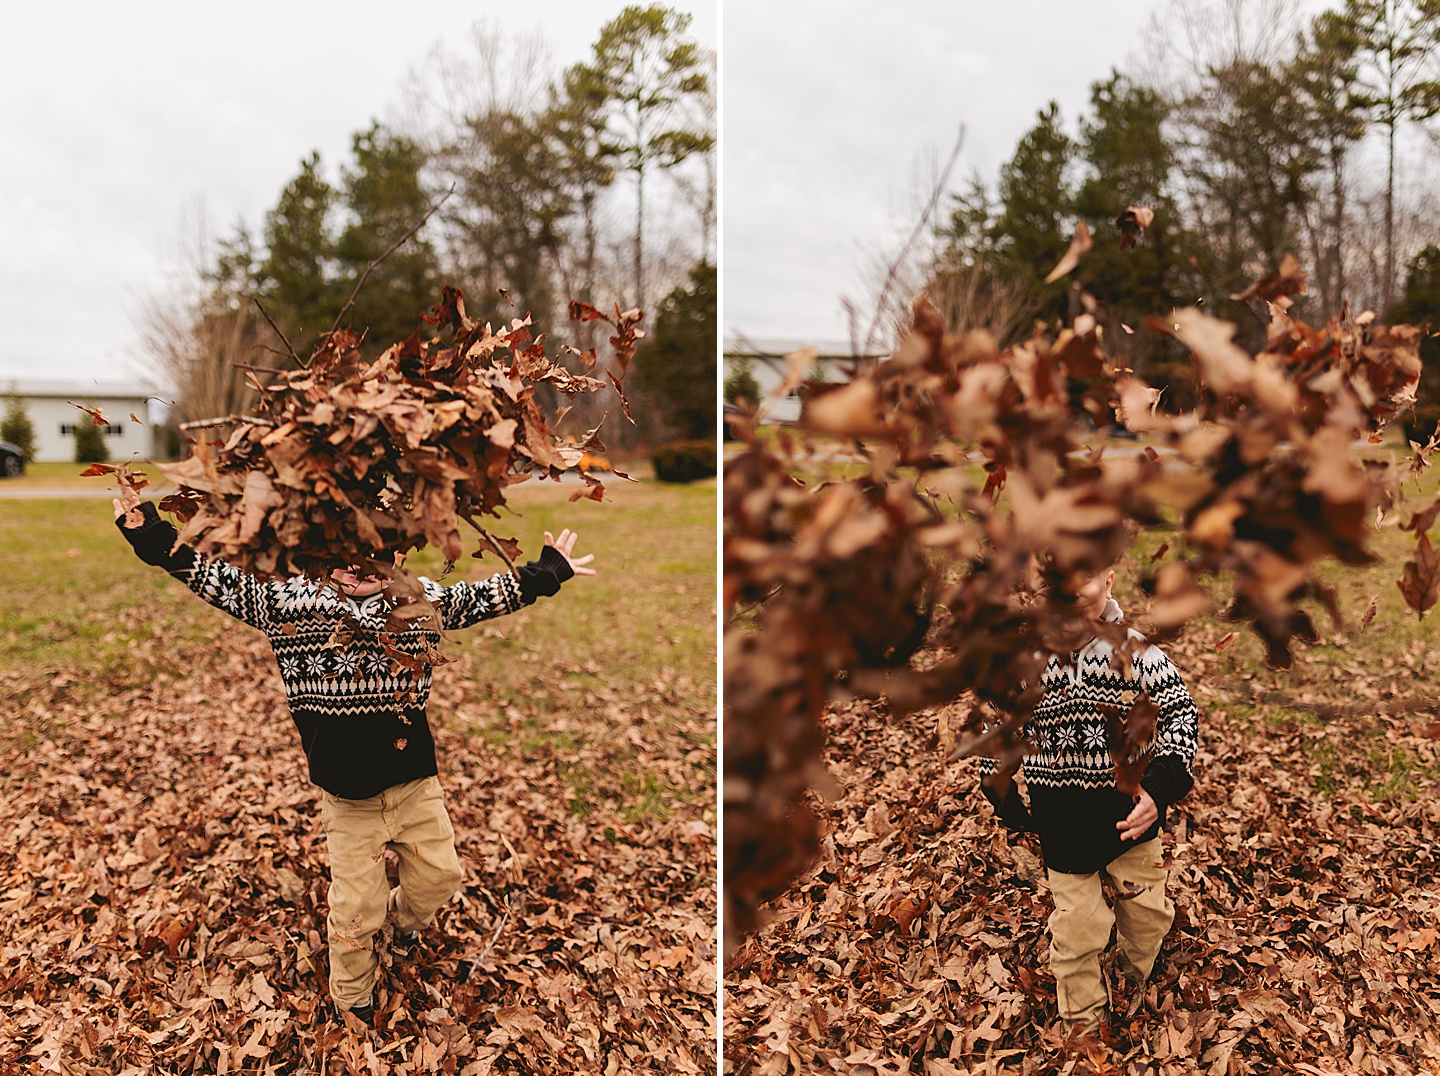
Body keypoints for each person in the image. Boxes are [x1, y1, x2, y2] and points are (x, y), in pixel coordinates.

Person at [112, 485, 595, 1028]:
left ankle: (406, 923)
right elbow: (210, 577)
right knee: (355, 910)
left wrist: (549, 571)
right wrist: (149, 535)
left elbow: (484, 596)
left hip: (414, 783)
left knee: (440, 877)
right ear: (324, 558)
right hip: (348, 799)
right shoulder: (288, 604)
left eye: (378, 558)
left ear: (397, 557)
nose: (363, 571)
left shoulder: (418, 603)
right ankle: (351, 993)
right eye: (348, 559)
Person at [976, 569, 1199, 1034]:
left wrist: (1160, 788)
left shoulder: (1133, 650)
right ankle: (1083, 1026)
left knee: (1146, 913)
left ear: (1110, 580)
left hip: (1131, 814)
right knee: (1078, 927)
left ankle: (1137, 981)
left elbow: (1181, 710)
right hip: (1062, 818)